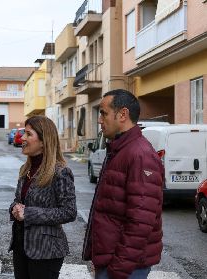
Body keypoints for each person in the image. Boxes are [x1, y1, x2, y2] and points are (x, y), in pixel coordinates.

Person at [82, 89, 164, 279]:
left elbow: (141, 222)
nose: (99, 120)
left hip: (125, 267)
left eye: (103, 113)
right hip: (114, 261)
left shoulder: (139, 154)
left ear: (123, 115)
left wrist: (118, 269)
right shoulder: (120, 149)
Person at [9, 115, 77, 279]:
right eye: (23, 133)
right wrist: (14, 208)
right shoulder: (26, 170)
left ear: (43, 140)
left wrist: (28, 213)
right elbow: (20, 201)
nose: (22, 138)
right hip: (21, 246)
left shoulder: (60, 172)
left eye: (28, 134)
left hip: (46, 251)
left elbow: (69, 212)